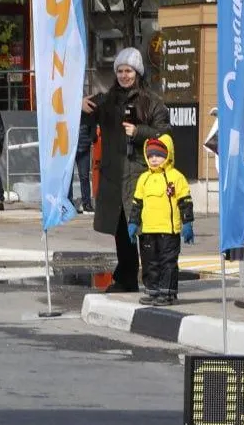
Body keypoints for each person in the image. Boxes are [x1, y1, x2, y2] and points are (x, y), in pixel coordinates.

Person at [83, 47, 171, 293]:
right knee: (122, 233)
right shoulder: (107, 101)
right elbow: (84, 117)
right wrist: (79, 106)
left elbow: (164, 134)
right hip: (114, 178)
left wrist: (140, 132)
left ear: (138, 72)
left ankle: (154, 281)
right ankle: (126, 278)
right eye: (120, 71)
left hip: (141, 176)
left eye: (128, 71)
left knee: (146, 232)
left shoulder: (152, 102)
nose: (124, 75)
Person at [128, 135, 193, 306]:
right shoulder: (144, 178)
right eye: (150, 156)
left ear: (168, 155)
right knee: (150, 262)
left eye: (158, 155)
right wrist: (133, 223)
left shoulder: (176, 177)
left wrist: (187, 223)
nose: (154, 159)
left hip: (168, 231)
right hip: (148, 230)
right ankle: (153, 291)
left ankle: (167, 293)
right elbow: (137, 203)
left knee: (168, 262)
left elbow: (185, 202)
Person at [67, 109, 96, 213]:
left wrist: (92, 137)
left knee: (84, 176)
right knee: (68, 177)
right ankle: (69, 203)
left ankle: (87, 203)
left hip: (84, 146)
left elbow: (93, 124)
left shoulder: (87, 110)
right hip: (70, 147)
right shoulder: (69, 108)